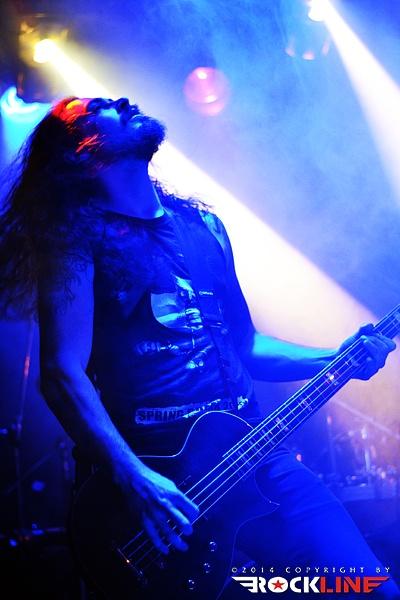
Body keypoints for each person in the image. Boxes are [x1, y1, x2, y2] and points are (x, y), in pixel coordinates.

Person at [0, 96, 398, 598]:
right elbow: (62, 372)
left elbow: (244, 346)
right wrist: (135, 479)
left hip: (254, 455)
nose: (120, 100)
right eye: (98, 108)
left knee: (371, 589)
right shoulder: (77, 240)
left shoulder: (202, 226)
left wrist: (338, 359)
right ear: (81, 150)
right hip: (156, 479)